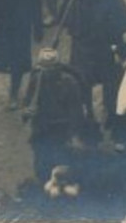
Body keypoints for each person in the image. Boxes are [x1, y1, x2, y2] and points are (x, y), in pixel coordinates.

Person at [61, 0, 126, 136]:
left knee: (110, 83)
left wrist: (116, 45)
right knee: (82, 81)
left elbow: (119, 22)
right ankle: (88, 114)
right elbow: (64, 18)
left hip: (102, 47)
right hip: (81, 46)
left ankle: (112, 114)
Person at [21, 47, 90, 187]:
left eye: (49, 69)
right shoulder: (37, 78)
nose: (45, 72)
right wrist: (26, 112)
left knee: (61, 166)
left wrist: (74, 135)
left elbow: (76, 112)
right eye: (42, 68)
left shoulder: (69, 83)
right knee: (41, 164)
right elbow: (28, 100)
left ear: (57, 67)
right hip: (41, 128)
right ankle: (43, 187)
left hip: (61, 130)